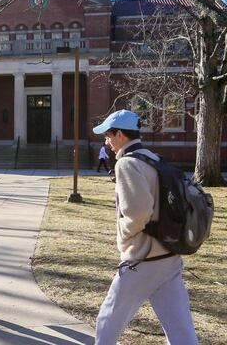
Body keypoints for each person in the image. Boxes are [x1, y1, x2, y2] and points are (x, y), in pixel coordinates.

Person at [92, 110, 198, 345]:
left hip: (142, 259)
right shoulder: (154, 158)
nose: (106, 142)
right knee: (180, 327)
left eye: (108, 135)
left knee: (108, 320)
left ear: (120, 134)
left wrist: (124, 236)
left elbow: (139, 212)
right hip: (169, 255)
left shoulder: (127, 164)